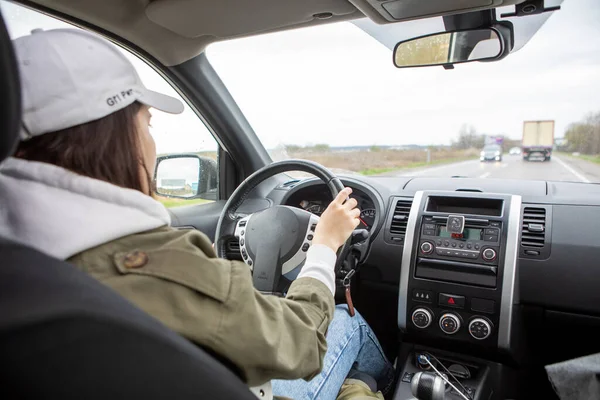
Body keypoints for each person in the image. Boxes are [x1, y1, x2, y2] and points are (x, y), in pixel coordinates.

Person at [0, 28, 394, 400]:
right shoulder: (158, 266)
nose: (151, 143)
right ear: (115, 137)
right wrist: (324, 245)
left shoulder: (21, 255)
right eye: (147, 124)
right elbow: (301, 341)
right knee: (348, 323)